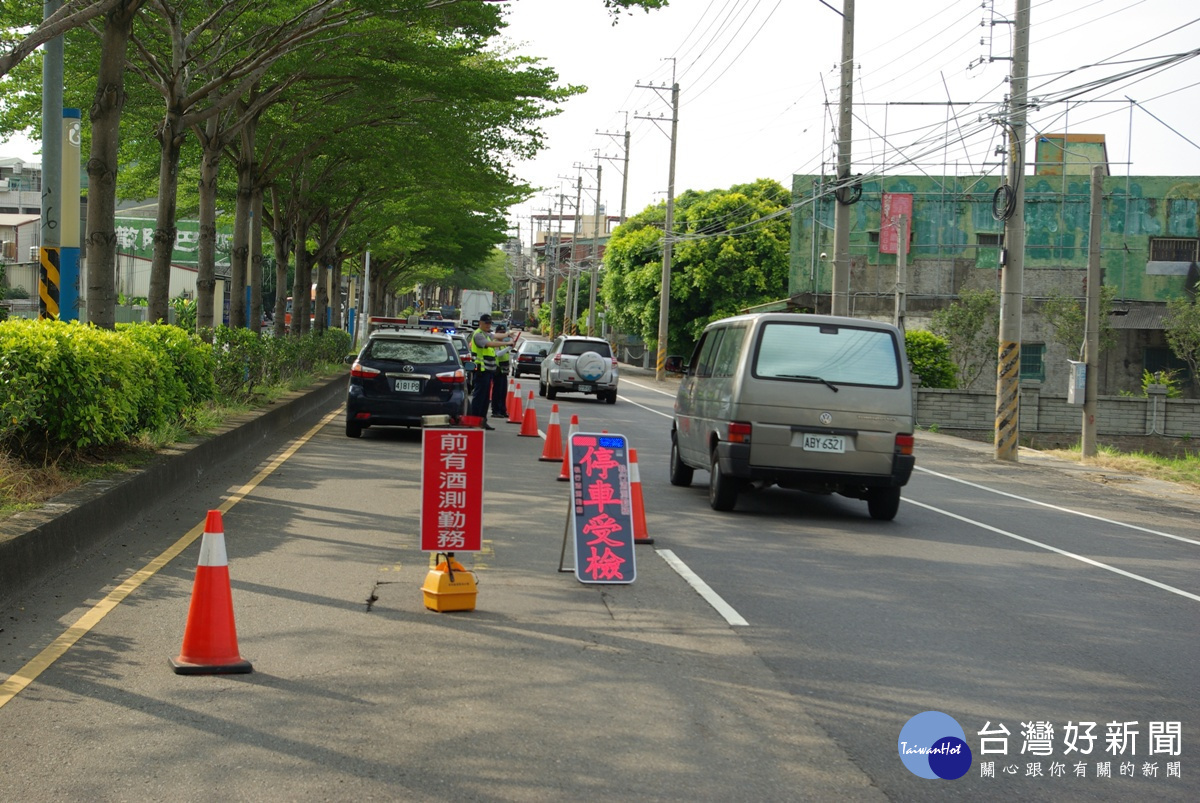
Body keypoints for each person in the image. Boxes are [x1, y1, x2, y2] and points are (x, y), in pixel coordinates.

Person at [469, 314, 514, 430]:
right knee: (479, 398)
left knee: (485, 400)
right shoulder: (478, 334)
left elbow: (496, 335)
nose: (488, 325)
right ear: (480, 323)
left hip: (488, 372)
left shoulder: (487, 334)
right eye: (486, 323)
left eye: (490, 323)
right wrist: (507, 343)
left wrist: (508, 334)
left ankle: (483, 421)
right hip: (481, 371)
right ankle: (474, 421)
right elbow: (490, 344)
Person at [492, 325, 512, 419]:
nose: (502, 335)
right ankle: (496, 410)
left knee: (503, 392)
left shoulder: (503, 344)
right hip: (497, 370)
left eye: (503, 333)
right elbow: (498, 354)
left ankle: (502, 410)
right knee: (497, 392)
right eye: (500, 333)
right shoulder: (494, 343)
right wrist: (508, 348)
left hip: (504, 371)